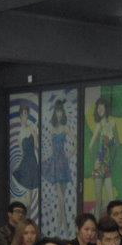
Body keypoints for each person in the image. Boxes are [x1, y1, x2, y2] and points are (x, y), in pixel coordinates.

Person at [43, 99, 73, 234]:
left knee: (62, 197)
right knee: (61, 197)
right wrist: (46, 159)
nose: (59, 114)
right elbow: (51, 148)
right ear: (55, 113)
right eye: (57, 111)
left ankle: (61, 227)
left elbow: (75, 142)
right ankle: (64, 227)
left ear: (63, 112)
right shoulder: (52, 129)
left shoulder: (65, 128)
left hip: (63, 163)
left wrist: (70, 154)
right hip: (55, 163)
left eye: (60, 111)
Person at [88, 97, 120, 216]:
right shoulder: (99, 125)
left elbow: (117, 144)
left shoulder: (113, 124)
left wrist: (111, 160)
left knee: (111, 199)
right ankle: (96, 224)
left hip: (107, 165)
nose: (100, 109)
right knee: (98, 200)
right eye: (98, 107)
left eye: (102, 106)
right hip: (99, 165)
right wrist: (95, 161)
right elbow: (90, 146)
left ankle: (111, 225)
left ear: (106, 108)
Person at [12, 104, 40, 213]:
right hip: (25, 164)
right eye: (23, 114)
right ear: (20, 115)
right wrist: (18, 166)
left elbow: (36, 145)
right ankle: (26, 217)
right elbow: (23, 154)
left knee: (30, 195)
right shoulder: (19, 135)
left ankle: (27, 217)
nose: (25, 116)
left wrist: (34, 133)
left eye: (26, 114)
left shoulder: (31, 128)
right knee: (28, 197)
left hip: (32, 162)